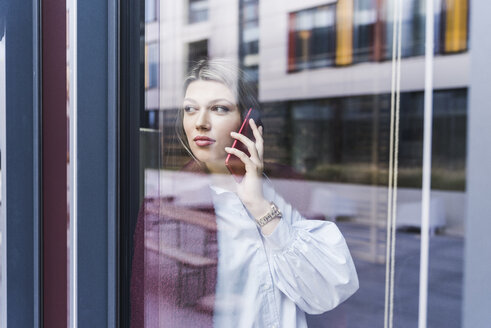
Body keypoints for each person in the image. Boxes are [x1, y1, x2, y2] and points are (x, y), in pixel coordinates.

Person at [173, 58, 359, 328]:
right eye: (190, 109)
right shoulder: (173, 194)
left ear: (248, 122)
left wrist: (260, 207)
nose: (200, 123)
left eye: (219, 109)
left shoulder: (284, 188)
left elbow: (325, 292)